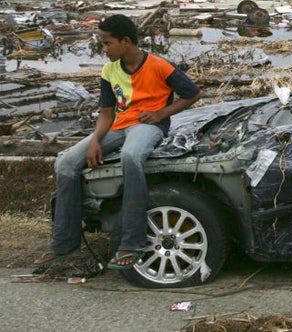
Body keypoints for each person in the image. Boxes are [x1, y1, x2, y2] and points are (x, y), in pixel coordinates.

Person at [33, 14, 203, 270]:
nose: (103, 49)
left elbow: (192, 94)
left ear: (125, 41)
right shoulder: (109, 70)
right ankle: (63, 244)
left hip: (148, 125)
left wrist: (160, 114)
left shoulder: (159, 65)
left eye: (107, 43)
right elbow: (106, 112)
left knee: (131, 157)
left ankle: (132, 241)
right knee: (67, 163)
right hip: (119, 126)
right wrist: (95, 140)